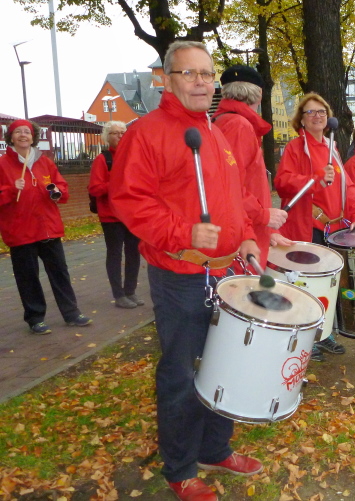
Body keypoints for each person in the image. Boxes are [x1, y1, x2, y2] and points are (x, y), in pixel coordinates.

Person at [109, 41, 263, 501]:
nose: (201, 82)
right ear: (167, 79)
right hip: (181, 277)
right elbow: (130, 201)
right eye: (189, 73)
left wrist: (246, 235)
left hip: (226, 272)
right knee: (182, 374)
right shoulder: (147, 133)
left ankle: (215, 448)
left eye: (207, 73)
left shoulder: (213, 132)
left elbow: (231, 197)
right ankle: (179, 468)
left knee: (224, 366)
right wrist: (183, 233)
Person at [275, 92, 355, 361]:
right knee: (306, 284)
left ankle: (324, 332)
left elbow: (347, 187)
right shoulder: (295, 147)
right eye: (311, 112)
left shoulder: (332, 148)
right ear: (302, 120)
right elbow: (282, 183)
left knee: (327, 285)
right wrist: (314, 177)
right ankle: (306, 338)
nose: (317, 116)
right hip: (308, 226)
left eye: (322, 112)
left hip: (334, 229)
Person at [0, 119, 92, 335]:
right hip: (20, 230)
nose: (23, 135)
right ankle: (35, 318)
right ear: (10, 137)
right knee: (28, 277)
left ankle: (71, 313)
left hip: (48, 227)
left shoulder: (45, 162)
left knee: (60, 273)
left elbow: (61, 187)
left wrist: (57, 191)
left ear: (33, 137)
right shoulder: (2, 164)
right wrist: (11, 189)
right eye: (18, 132)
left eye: (27, 132)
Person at [212, 64, 293, 269]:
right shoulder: (238, 125)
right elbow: (229, 186)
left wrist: (269, 229)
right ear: (259, 94)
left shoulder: (226, 122)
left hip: (246, 229)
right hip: (242, 237)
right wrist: (263, 216)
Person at [88, 121, 144, 309]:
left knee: (134, 253)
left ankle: (130, 291)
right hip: (111, 216)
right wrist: (116, 182)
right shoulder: (103, 160)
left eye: (122, 132)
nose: (120, 136)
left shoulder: (133, 157)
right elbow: (95, 188)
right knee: (115, 254)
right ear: (107, 137)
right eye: (115, 133)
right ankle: (119, 295)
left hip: (131, 214)